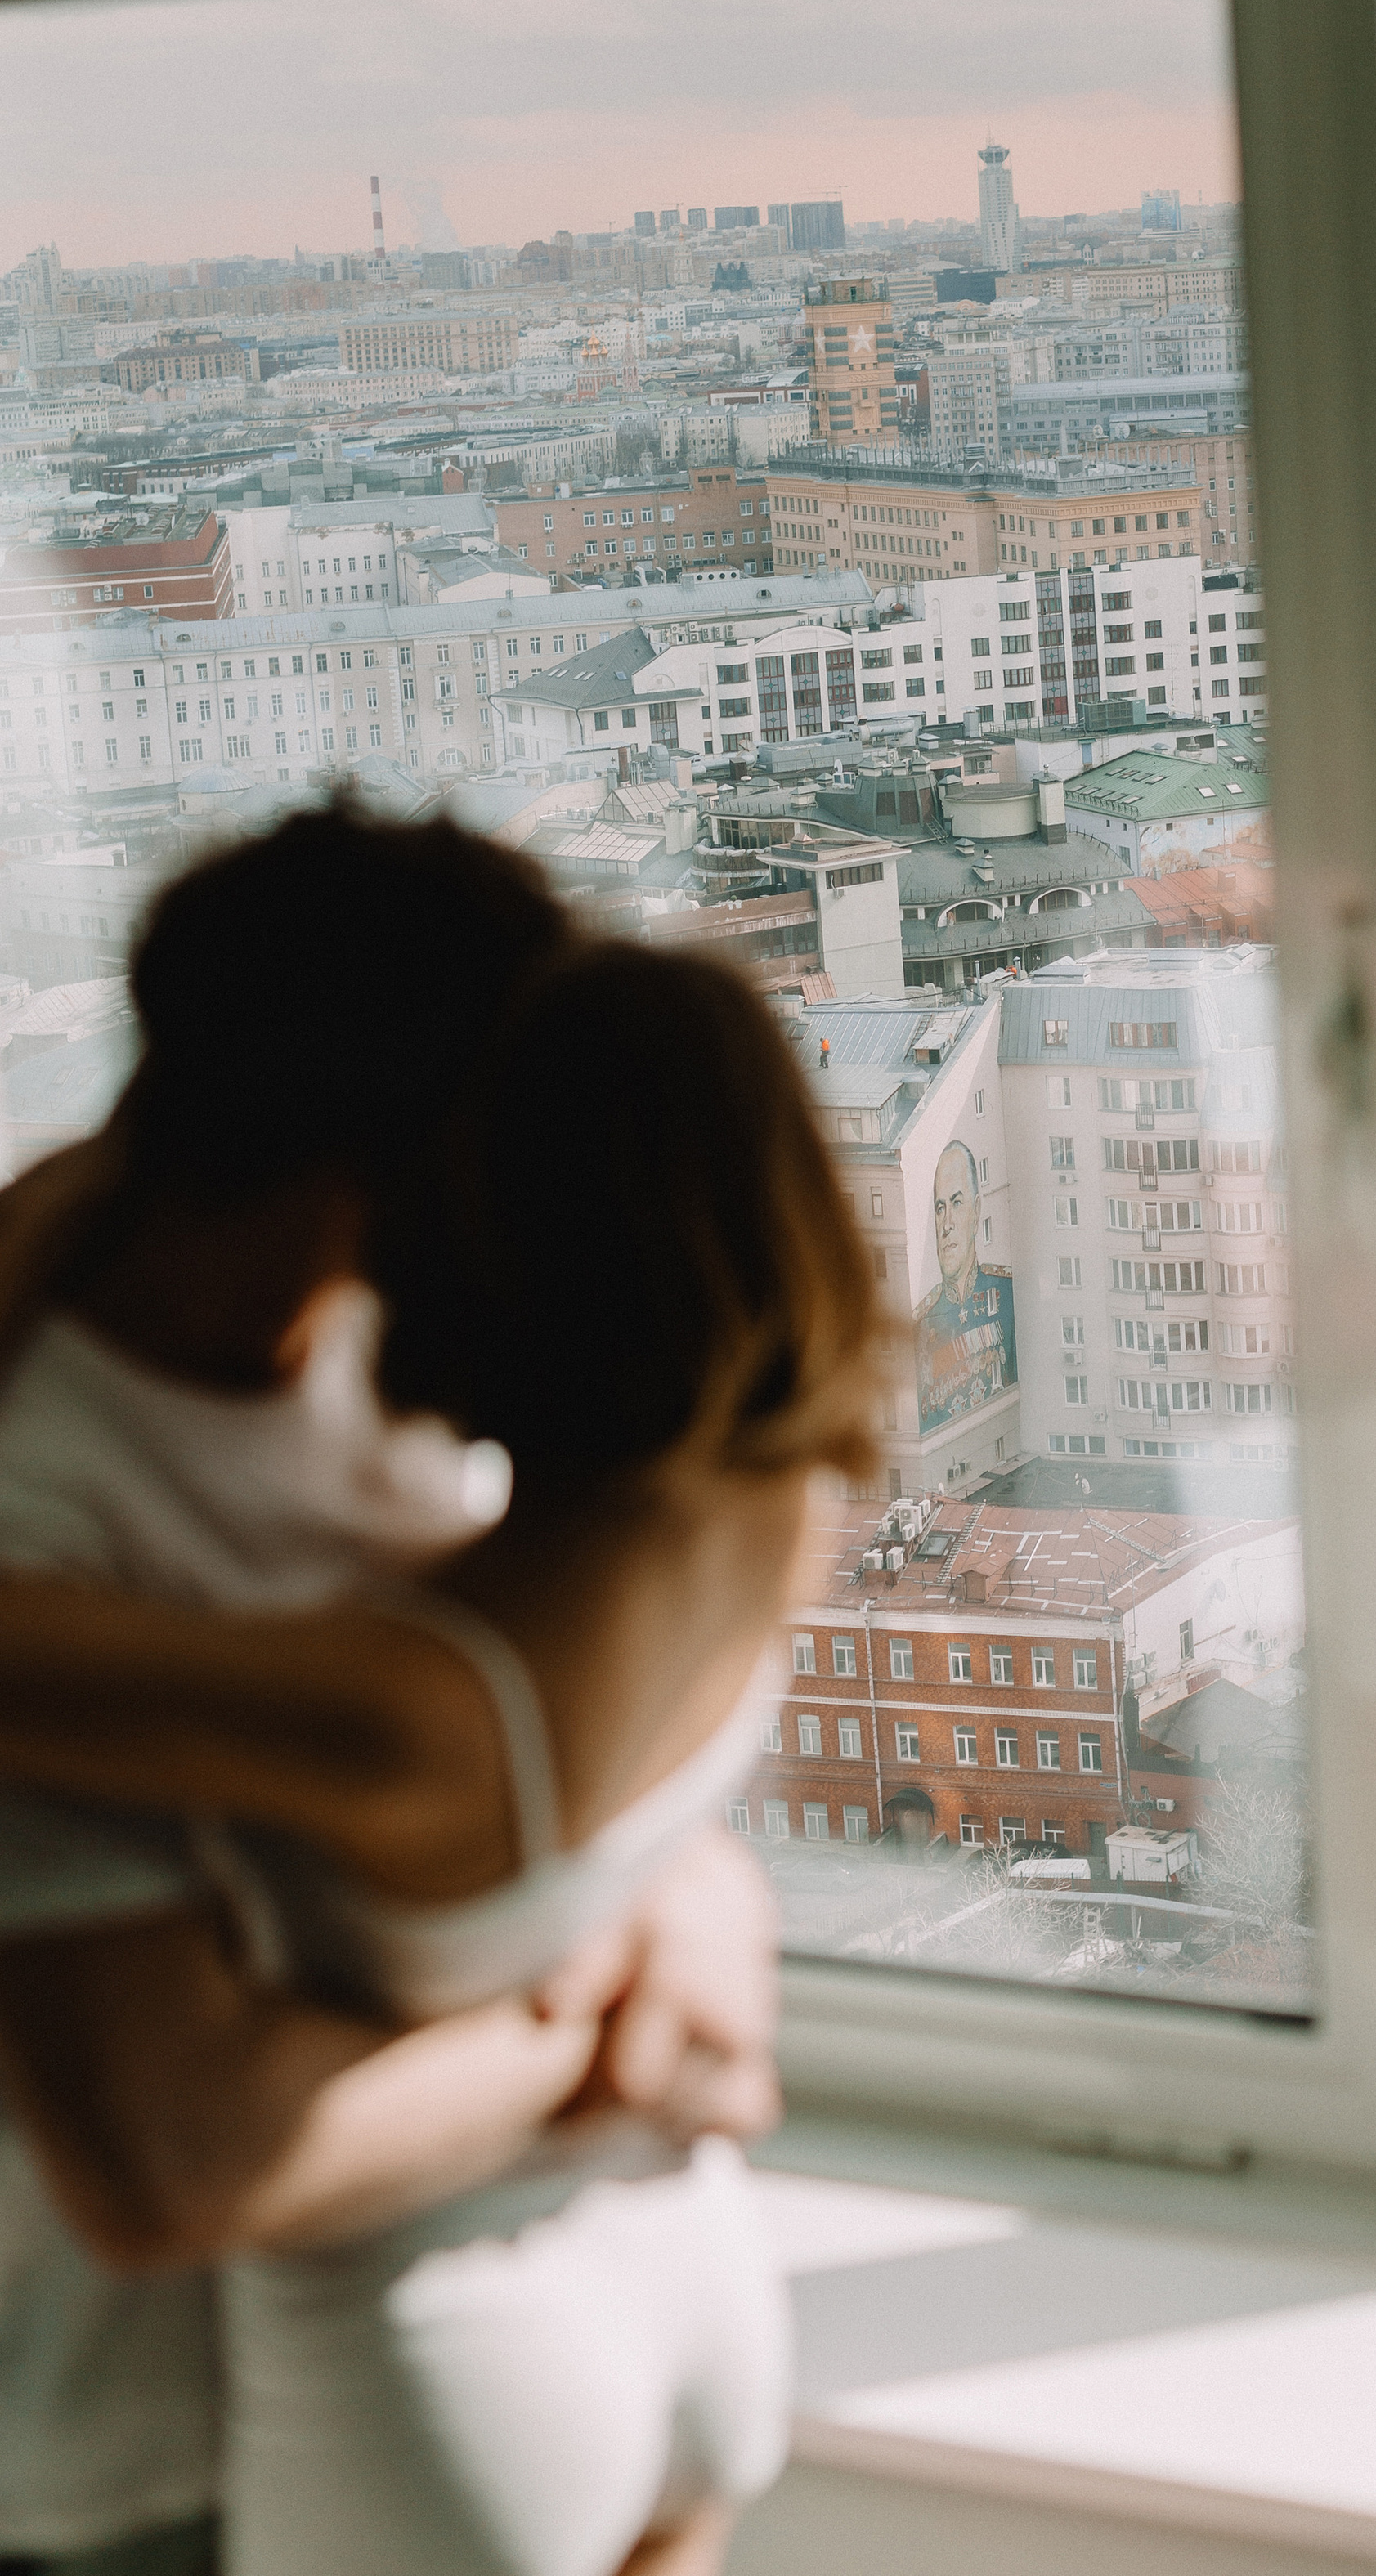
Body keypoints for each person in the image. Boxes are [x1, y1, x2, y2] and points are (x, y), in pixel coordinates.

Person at [0, 812, 796, 2576]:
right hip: (152, 2469)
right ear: (407, 1140)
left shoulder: (424, 1349)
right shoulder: (44, 1519)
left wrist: (690, 1894)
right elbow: (176, 2162)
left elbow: (538, 1761)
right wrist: (604, 2038)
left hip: (527, 2312)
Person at [915, 1136, 1015, 1432]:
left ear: (975, 1213)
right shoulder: (920, 1324)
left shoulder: (1007, 1294)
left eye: (956, 1203)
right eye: (939, 1208)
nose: (946, 1225)